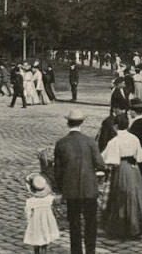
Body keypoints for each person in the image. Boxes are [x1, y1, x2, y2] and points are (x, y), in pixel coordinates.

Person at [54, 109, 105, 254]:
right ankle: (91, 251)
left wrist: (59, 189)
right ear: (82, 122)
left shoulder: (61, 143)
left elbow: (57, 171)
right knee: (91, 223)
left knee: (74, 224)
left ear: (67, 123)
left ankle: (76, 251)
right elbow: (101, 164)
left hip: (71, 190)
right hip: (89, 189)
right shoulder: (90, 142)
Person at [101, 115, 142, 238]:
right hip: (134, 169)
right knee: (135, 195)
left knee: (120, 196)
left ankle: (122, 228)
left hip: (121, 169)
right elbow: (141, 157)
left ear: (115, 126)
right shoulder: (134, 138)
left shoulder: (114, 141)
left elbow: (107, 159)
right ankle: (138, 227)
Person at [23, 173, 60, 254]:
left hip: (35, 224)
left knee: (36, 240)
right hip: (47, 223)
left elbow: (28, 213)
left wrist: (28, 221)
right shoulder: (50, 199)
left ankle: (36, 252)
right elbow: (55, 209)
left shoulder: (30, 201)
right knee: (45, 239)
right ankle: (44, 252)